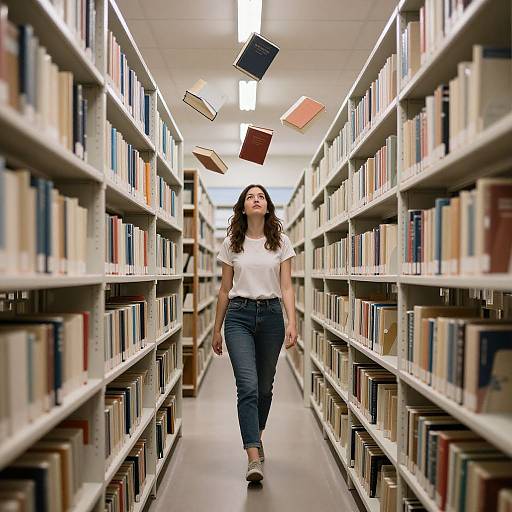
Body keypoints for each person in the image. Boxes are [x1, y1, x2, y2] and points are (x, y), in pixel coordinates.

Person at [211, 184, 298, 483]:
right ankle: (252, 457)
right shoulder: (231, 243)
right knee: (247, 386)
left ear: (268, 205)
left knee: (264, 388)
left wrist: (292, 321)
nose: (256, 199)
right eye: (250, 197)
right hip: (238, 317)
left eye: (260, 196)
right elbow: (224, 290)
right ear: (243, 207)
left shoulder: (281, 243)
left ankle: (256, 437)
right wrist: (216, 330)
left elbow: (286, 286)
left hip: (272, 316)